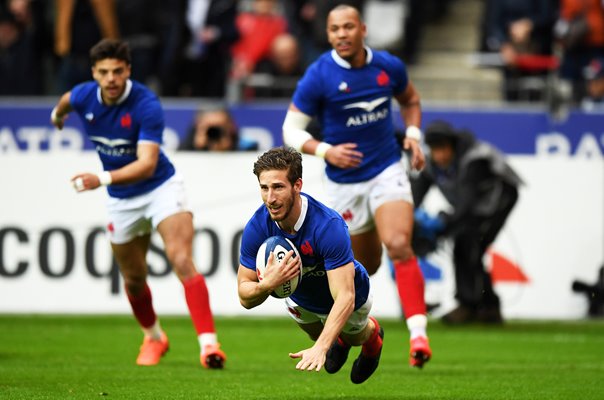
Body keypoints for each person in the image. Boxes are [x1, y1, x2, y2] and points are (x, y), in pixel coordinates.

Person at [49, 38, 226, 368]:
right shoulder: (83, 95)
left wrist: (100, 179)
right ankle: (155, 338)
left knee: (181, 259)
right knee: (132, 278)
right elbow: (65, 102)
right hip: (121, 200)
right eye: (104, 72)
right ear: (94, 74)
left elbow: (146, 163)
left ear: (128, 70)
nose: (111, 79)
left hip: (160, 187)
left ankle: (209, 346)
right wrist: (57, 116)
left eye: (118, 71)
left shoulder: (146, 104)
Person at [282, 4, 431, 368]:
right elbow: (290, 130)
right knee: (364, 267)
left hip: (385, 169)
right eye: (334, 30)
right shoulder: (319, 75)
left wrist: (412, 134)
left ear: (363, 29)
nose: (342, 35)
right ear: (329, 34)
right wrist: (327, 151)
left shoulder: (387, 67)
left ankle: (419, 336)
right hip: (343, 185)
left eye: (348, 27)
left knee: (399, 243)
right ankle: (359, 334)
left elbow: (410, 99)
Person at [238, 147, 384, 384]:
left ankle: (373, 341)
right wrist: (267, 285)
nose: (270, 198)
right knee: (315, 332)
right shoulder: (257, 226)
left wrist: (321, 347)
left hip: (349, 294)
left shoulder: (327, 226)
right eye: (264, 188)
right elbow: (244, 295)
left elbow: (345, 296)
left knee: (354, 336)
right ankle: (338, 338)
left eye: (278, 187)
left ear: (297, 185)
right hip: (302, 297)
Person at [410, 120, 523, 325]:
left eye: (444, 149)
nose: (440, 155)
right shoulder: (431, 165)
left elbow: (466, 207)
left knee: (469, 244)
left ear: (453, 146)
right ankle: (488, 306)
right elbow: (413, 198)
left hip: (500, 200)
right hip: (472, 207)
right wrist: (409, 220)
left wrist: (441, 225)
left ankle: (470, 305)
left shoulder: (473, 160)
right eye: (435, 150)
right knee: (470, 247)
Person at [178, 107, 257, 151]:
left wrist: (231, 148)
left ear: (231, 126)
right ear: (198, 126)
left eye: (219, 127)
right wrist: (196, 148)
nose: (214, 132)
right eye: (210, 127)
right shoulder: (183, 148)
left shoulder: (247, 147)